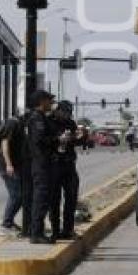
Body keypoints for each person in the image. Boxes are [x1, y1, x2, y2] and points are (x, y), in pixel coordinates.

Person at [49, 101, 84, 241]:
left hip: (69, 164)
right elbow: (43, 141)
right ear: (58, 111)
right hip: (54, 165)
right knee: (54, 200)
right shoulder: (49, 122)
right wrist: (58, 139)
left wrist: (80, 137)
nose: (67, 115)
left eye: (69, 113)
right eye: (65, 112)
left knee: (71, 197)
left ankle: (68, 230)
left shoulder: (70, 123)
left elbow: (76, 142)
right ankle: (55, 230)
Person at [26, 90, 57, 244]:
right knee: (41, 198)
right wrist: (57, 139)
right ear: (41, 101)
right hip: (41, 163)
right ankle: (36, 233)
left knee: (43, 198)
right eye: (48, 100)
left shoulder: (42, 118)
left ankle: (37, 231)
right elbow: (40, 140)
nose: (51, 103)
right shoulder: (37, 118)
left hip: (44, 162)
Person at [0, 114, 26, 235]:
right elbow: (5, 144)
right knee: (16, 195)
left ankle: (8, 220)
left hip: (15, 166)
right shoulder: (12, 124)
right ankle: (6, 224)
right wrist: (9, 164)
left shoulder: (19, 125)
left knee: (19, 195)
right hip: (7, 166)